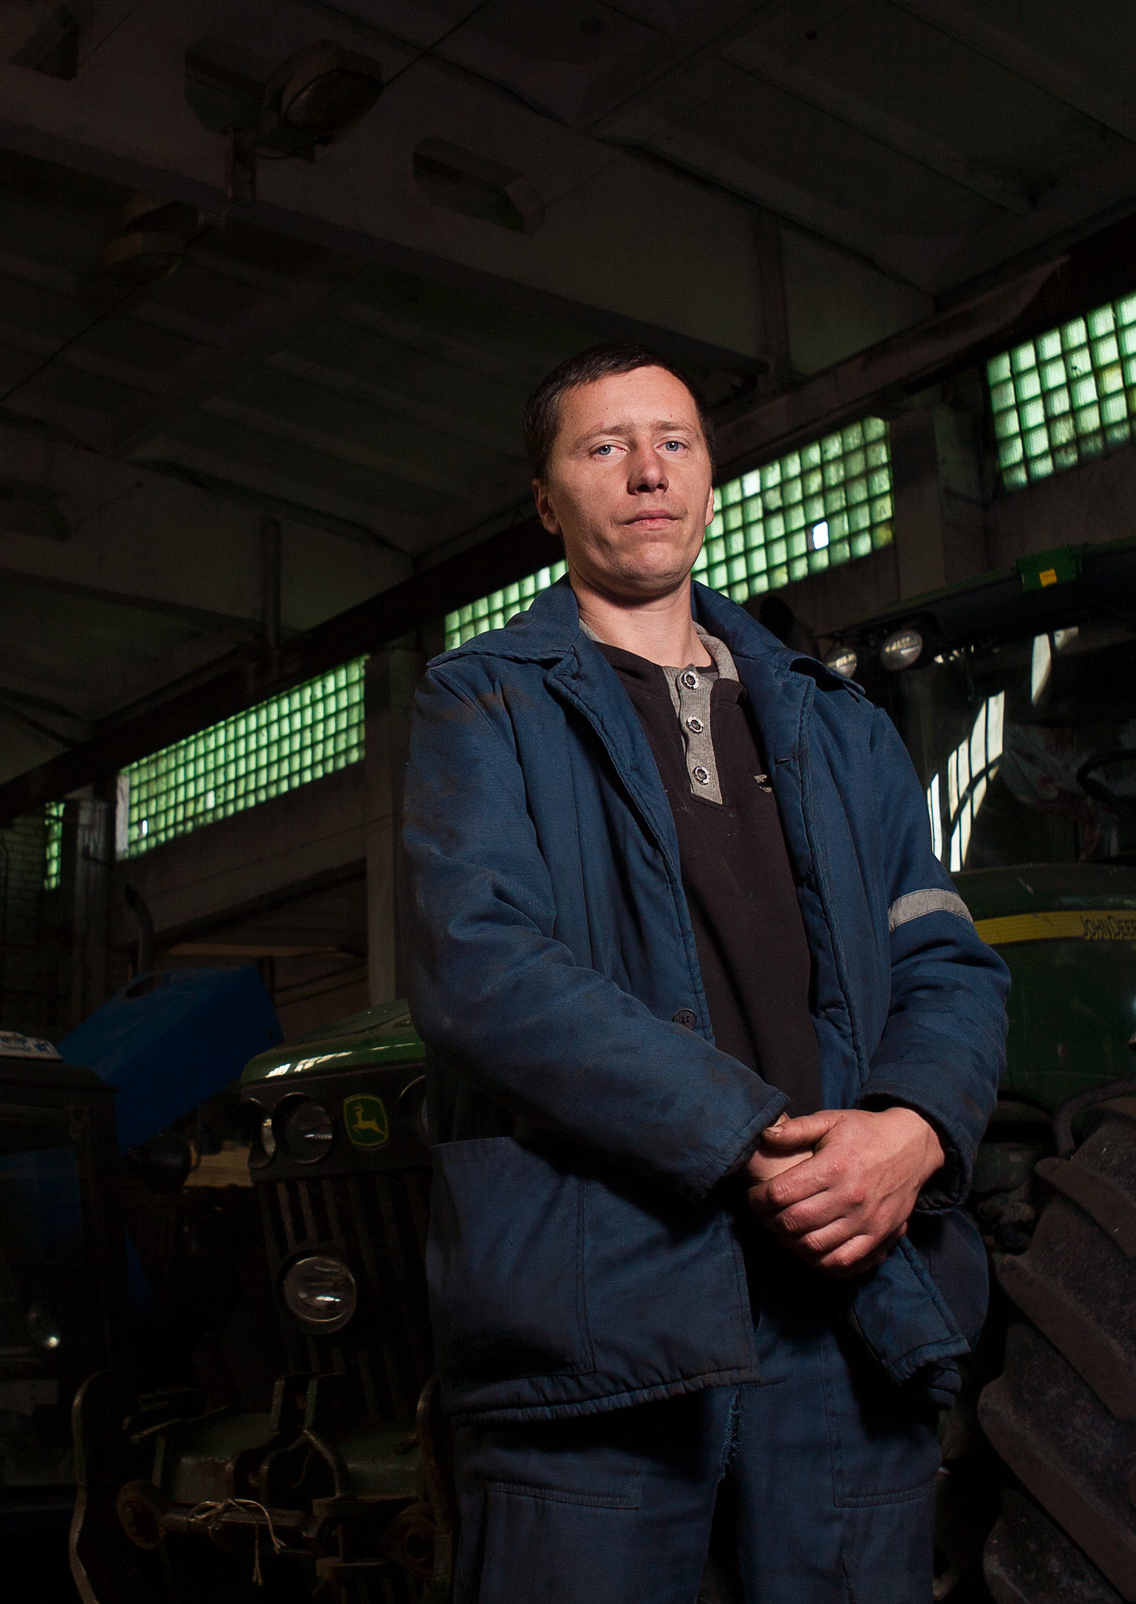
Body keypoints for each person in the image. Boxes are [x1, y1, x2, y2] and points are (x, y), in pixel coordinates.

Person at [401, 343, 1010, 1602]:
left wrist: (908, 1133)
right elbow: (479, 964)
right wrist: (753, 1136)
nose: (644, 473)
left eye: (672, 442)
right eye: (602, 446)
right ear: (546, 496)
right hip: (603, 1315)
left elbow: (943, 958)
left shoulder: (837, 724)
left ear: (710, 478)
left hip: (842, 1311)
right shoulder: (486, 702)